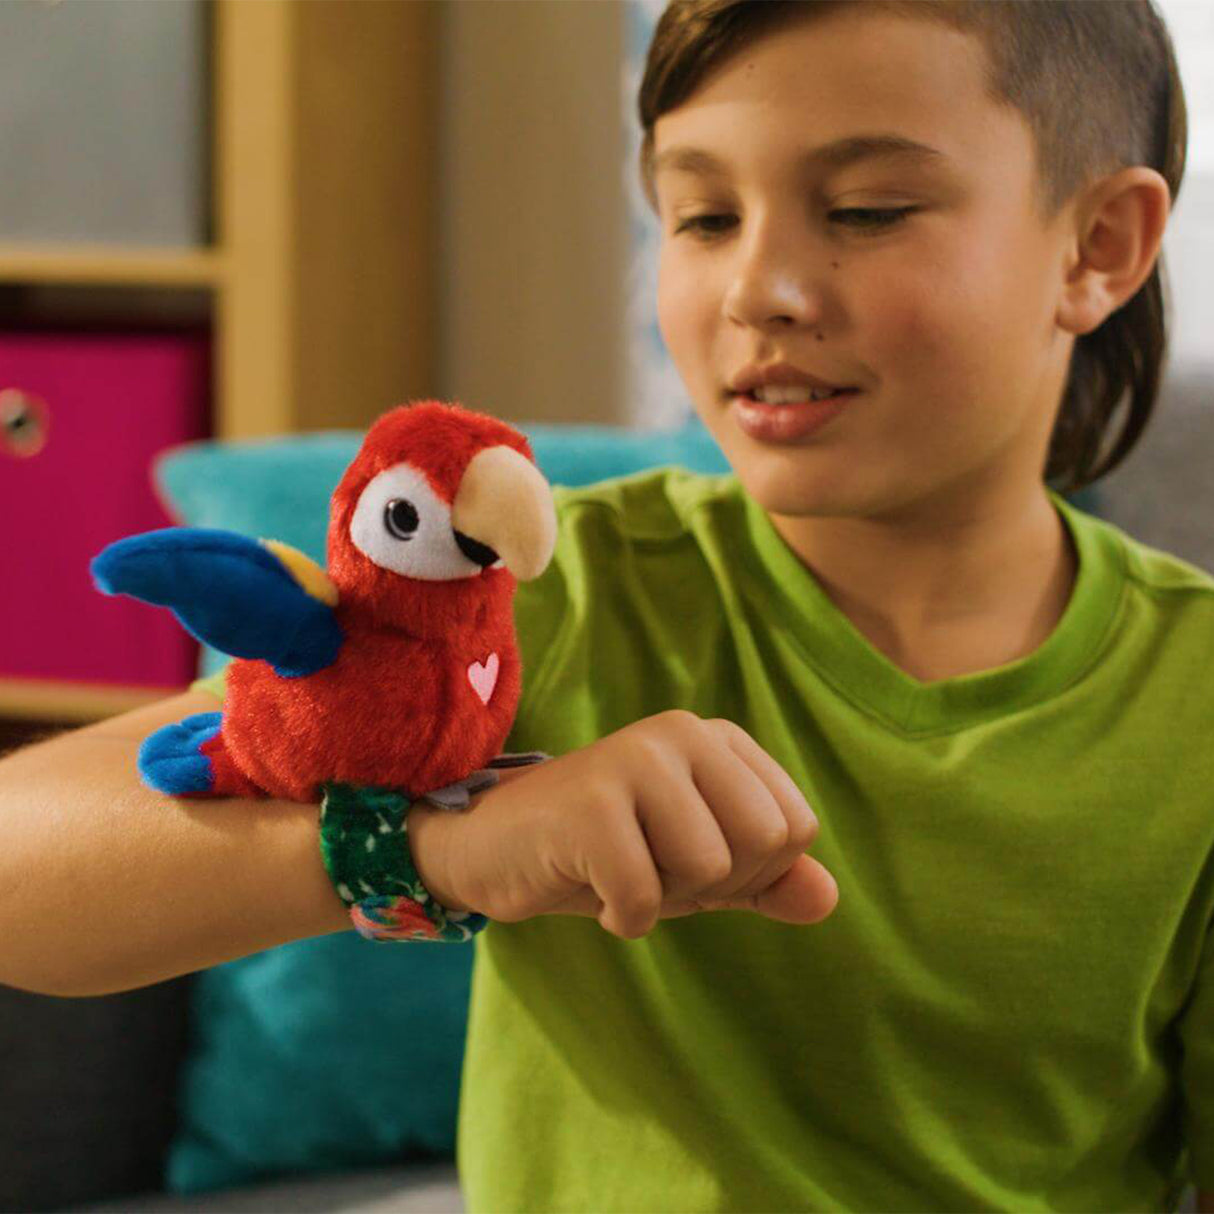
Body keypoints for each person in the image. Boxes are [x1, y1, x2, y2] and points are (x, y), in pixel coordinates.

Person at [0, 0, 1208, 1209]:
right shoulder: (532, 594)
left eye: (863, 210)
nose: (758, 289)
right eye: (702, 216)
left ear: (1097, 243)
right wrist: (437, 849)